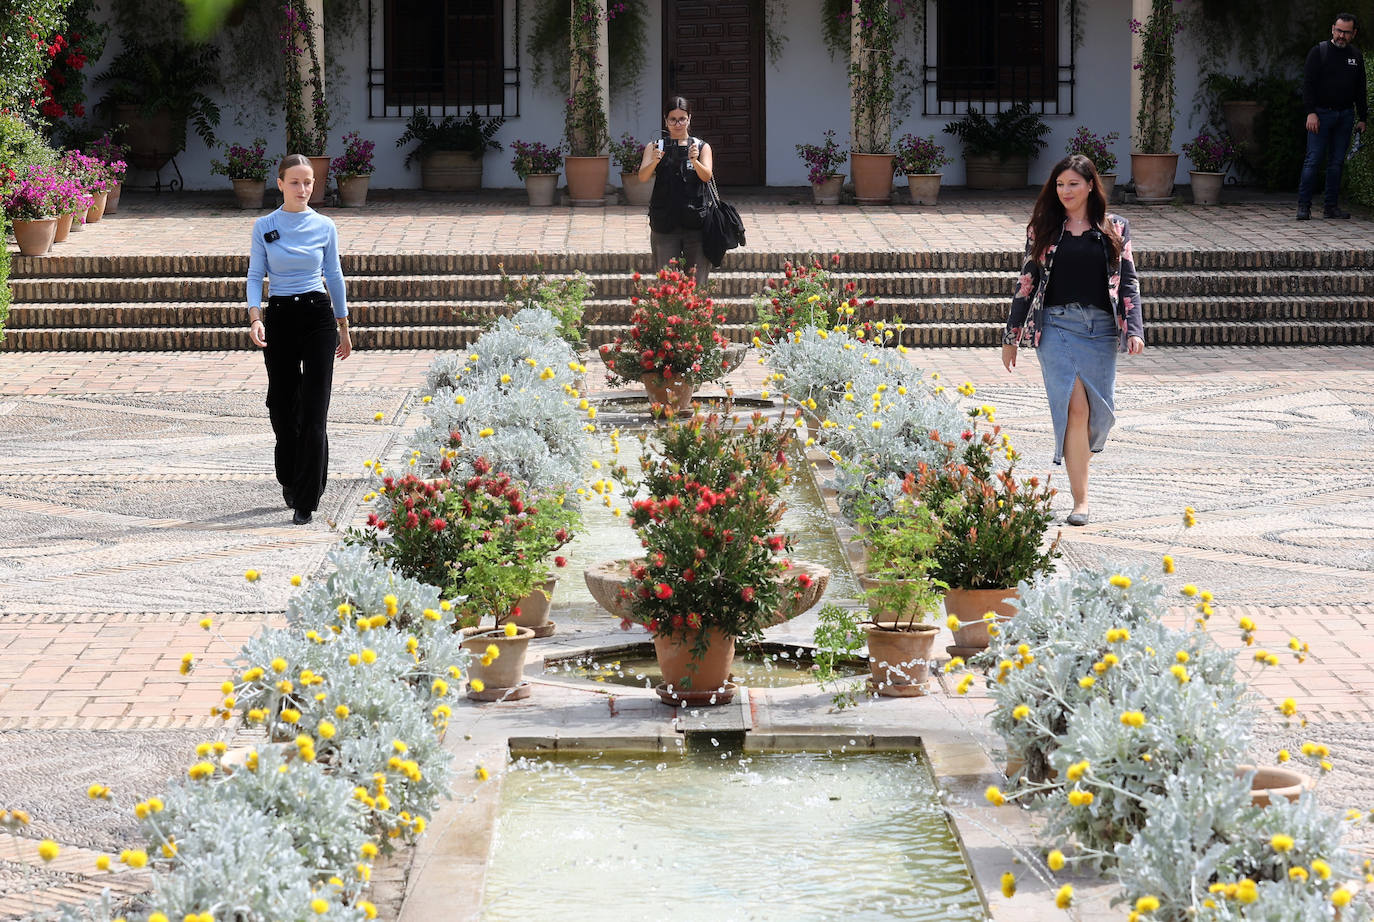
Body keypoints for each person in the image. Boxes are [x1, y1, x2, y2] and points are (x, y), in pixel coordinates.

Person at [1001, 154, 1144, 527]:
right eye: (1060, 184)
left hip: (1101, 329)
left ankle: (1079, 456)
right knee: (1075, 409)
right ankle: (1081, 502)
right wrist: (1011, 335)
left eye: (1073, 184)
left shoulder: (1115, 228)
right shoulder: (1044, 229)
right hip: (1056, 326)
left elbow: (1128, 280)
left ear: (1091, 186)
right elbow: (1027, 282)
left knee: (1100, 416)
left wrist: (1134, 328)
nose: (1065, 191)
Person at [246, 154, 351, 525]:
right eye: (295, 182)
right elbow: (255, 274)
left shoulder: (325, 226)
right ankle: (290, 476)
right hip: (280, 316)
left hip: (317, 316)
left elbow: (334, 275)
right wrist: (255, 318)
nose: (303, 189)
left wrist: (343, 326)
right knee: (282, 404)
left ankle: (306, 498)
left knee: (315, 408)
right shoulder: (265, 226)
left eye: (308, 182)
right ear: (280, 183)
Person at [638, 96, 714, 286]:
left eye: (682, 119)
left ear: (689, 119)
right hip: (664, 222)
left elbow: (706, 176)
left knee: (697, 284)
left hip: (696, 223)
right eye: (673, 119)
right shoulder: (655, 146)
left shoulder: (701, 146)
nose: (678, 124)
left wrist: (695, 161)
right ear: (666, 120)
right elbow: (643, 177)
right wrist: (654, 161)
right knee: (666, 284)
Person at [1297, 12, 1367, 220]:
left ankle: (1330, 207)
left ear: (1354, 33)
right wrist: (1310, 112)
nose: (1341, 36)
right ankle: (1304, 206)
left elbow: (1360, 89)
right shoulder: (1319, 52)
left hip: (1345, 115)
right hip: (1320, 114)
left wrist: (1363, 117)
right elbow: (1308, 85)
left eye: (1346, 32)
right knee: (1313, 160)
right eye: (1339, 31)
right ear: (1332, 29)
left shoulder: (1356, 56)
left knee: (1336, 163)